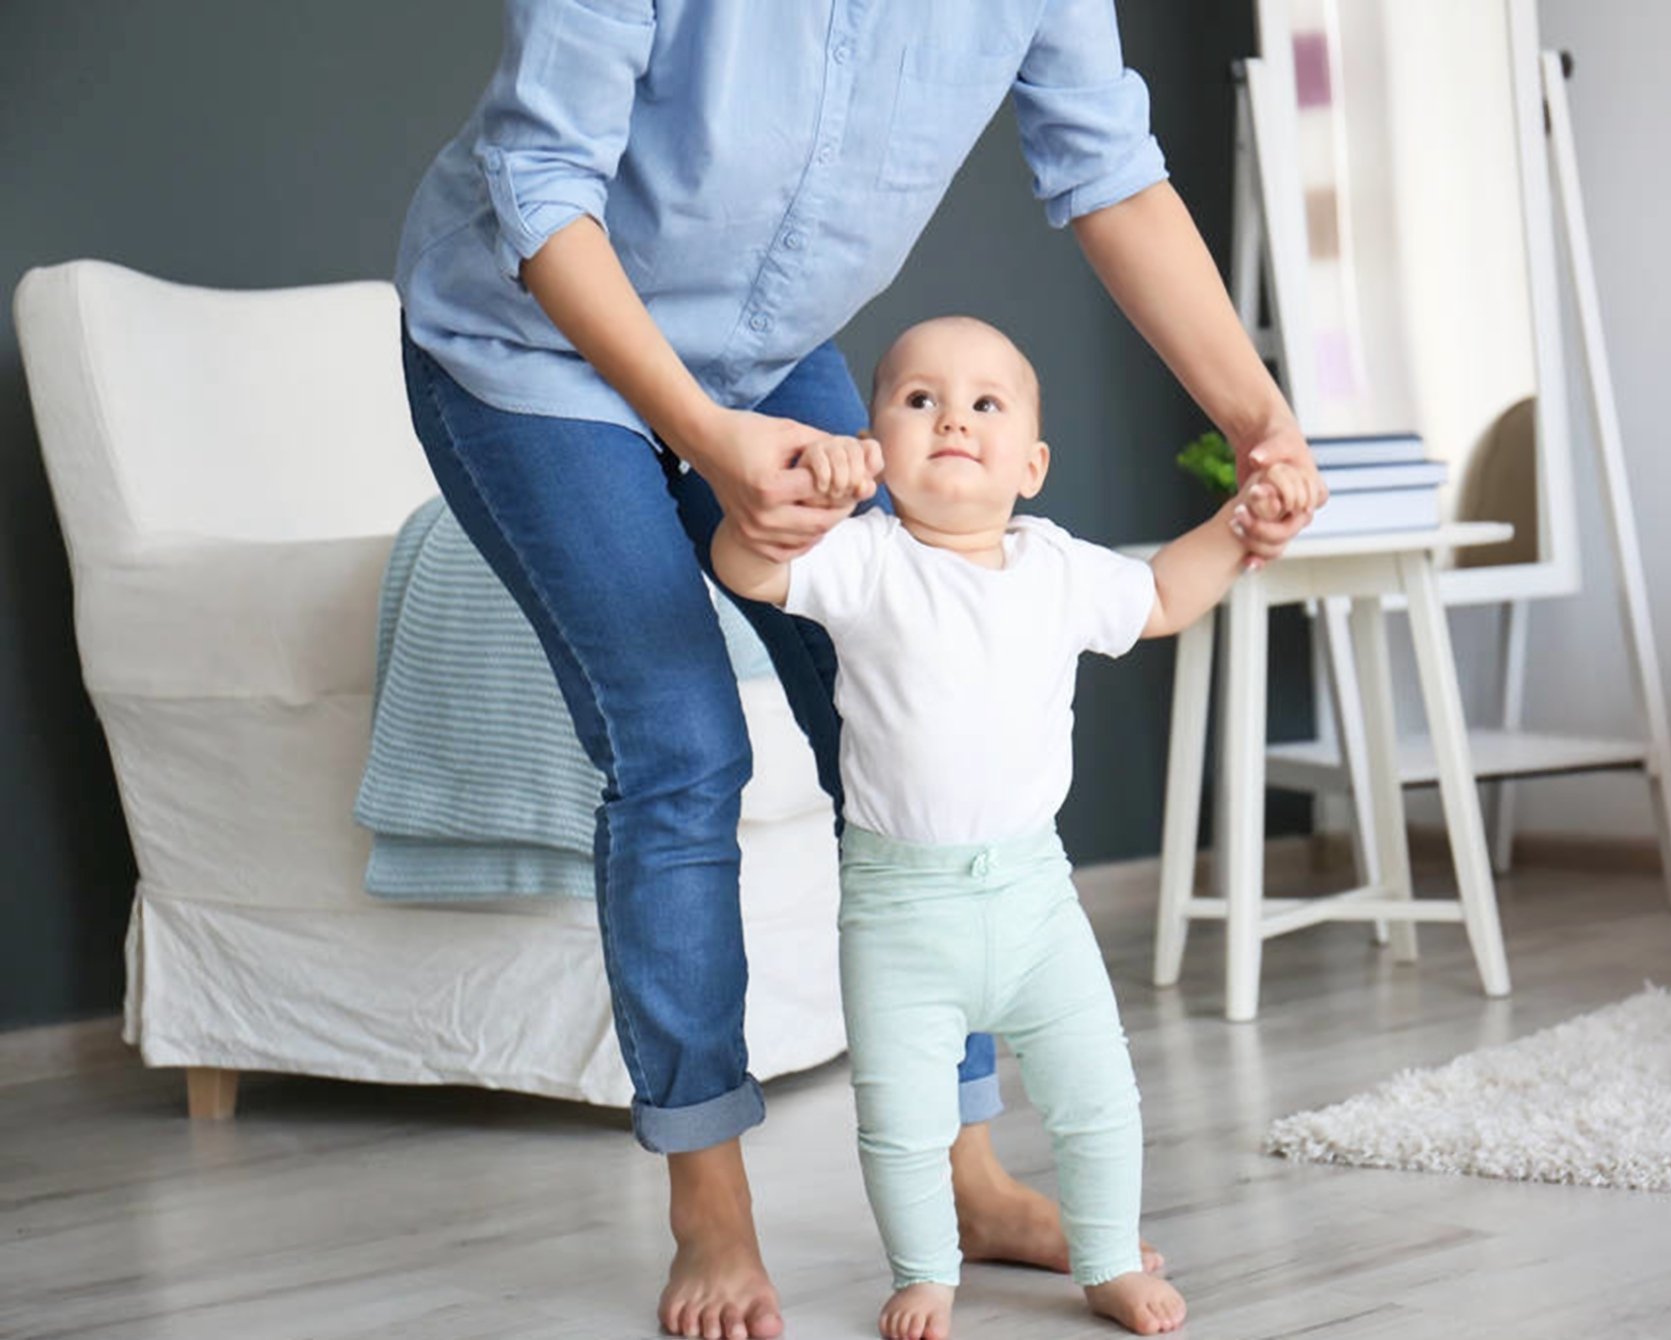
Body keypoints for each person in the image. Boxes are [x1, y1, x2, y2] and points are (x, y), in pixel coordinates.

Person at [393, 5, 1326, 1337]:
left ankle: (968, 1177)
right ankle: (710, 1206)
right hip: (532, 345)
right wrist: (711, 443)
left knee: (886, 699)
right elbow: (541, 188)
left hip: (765, 354)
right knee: (679, 743)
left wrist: (1262, 421)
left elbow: (1110, 166)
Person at [713, 316, 1313, 1340]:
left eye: (985, 402)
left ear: (1030, 464)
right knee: (901, 1121)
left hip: (1036, 901)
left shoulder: (1059, 568)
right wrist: (802, 499)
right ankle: (924, 1269)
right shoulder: (864, 559)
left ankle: (1108, 1256)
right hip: (900, 911)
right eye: (918, 400)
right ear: (878, 446)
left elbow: (1165, 593)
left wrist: (1241, 525)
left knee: (1099, 1096)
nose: (952, 415)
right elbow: (744, 569)